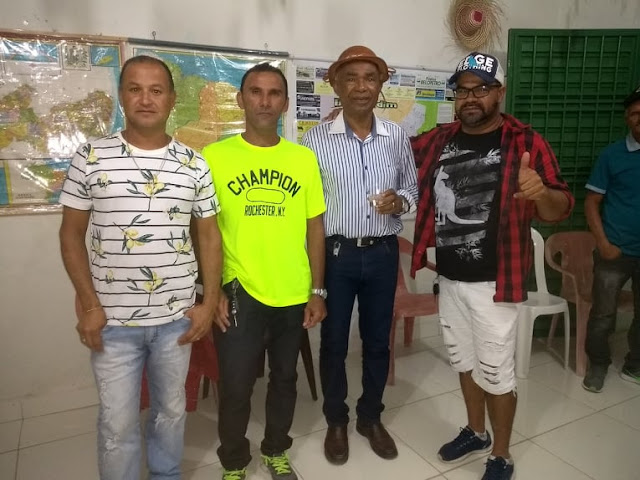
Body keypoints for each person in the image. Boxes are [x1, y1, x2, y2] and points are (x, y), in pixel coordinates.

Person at [410, 52, 574, 480]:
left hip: (495, 285)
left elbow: (560, 207)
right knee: (463, 361)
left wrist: (540, 192)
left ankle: (501, 455)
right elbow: (394, 152)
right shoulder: (439, 139)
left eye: (481, 89)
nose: (470, 97)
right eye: (463, 90)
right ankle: (476, 432)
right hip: (450, 278)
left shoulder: (526, 143)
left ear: (499, 92)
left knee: (497, 374)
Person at [59, 55, 222, 480]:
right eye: (135, 89)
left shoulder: (194, 164)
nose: (145, 99)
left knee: (171, 412)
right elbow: (71, 235)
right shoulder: (91, 156)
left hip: (177, 319)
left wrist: (209, 303)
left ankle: (166, 475)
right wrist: (89, 305)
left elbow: (209, 237)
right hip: (112, 321)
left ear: (172, 99)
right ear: (121, 96)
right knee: (118, 424)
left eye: (156, 90)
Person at [200, 63, 327, 480]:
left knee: (285, 380)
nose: (265, 101)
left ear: (285, 103)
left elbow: (315, 227)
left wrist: (317, 290)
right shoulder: (214, 157)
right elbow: (202, 230)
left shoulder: (303, 159)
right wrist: (213, 290)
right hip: (240, 289)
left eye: (274, 93)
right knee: (236, 384)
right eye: (255, 91)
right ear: (241, 99)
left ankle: (275, 450)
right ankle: (234, 462)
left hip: (292, 290)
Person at [302, 45, 418, 465]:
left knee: (377, 341)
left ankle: (370, 417)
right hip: (337, 255)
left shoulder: (396, 137)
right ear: (335, 84)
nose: (361, 86)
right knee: (333, 342)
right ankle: (337, 420)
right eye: (350, 78)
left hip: (383, 253)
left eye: (370, 78)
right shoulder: (314, 141)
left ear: (381, 85)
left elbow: (412, 188)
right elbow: (309, 211)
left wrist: (399, 202)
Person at [582, 85, 640, 393]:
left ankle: (635, 364)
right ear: (627, 118)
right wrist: (603, 244)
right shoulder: (612, 155)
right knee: (603, 314)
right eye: (635, 113)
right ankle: (598, 364)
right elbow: (592, 202)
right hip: (614, 250)